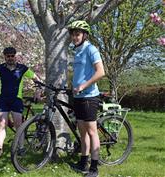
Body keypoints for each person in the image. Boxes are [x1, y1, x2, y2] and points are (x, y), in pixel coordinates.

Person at [67, 20, 105, 177]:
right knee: (82, 132)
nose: (74, 37)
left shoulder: (91, 49)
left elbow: (101, 72)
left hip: (89, 97)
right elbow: (79, 74)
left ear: (84, 35)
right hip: (78, 97)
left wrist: (84, 85)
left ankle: (94, 168)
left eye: (77, 34)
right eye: (73, 35)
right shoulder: (77, 51)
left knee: (91, 132)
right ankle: (83, 162)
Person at [0, 47, 40, 157]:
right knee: (2, 123)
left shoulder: (22, 68)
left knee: (19, 124)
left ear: (15, 56)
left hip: (16, 99)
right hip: (3, 99)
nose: (10, 58)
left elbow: (36, 78)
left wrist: (37, 91)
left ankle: (21, 148)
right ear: (4, 57)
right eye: (8, 56)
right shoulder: (0, 68)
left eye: (12, 55)